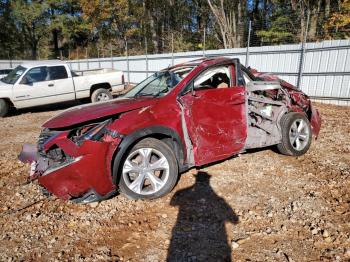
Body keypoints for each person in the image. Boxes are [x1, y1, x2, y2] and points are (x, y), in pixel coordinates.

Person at [167, 171, 238, 262]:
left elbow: (172, 203)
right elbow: (235, 220)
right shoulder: (218, 199)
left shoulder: (213, 198)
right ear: (208, 180)